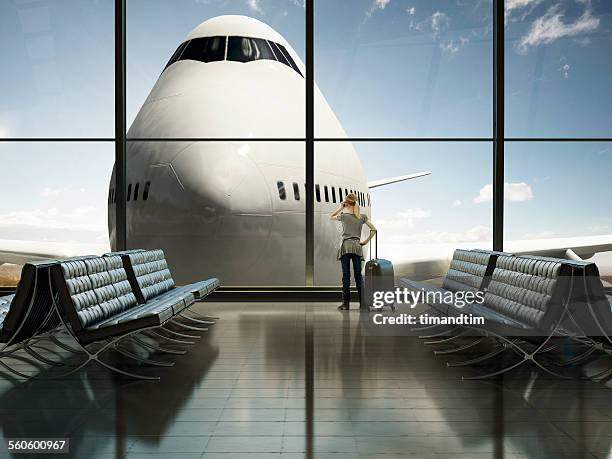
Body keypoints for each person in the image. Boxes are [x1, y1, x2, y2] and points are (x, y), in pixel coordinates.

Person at [330, 193, 377, 310]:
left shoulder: (344, 216)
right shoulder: (361, 217)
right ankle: (363, 304)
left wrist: (341, 207)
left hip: (345, 247)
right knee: (358, 276)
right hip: (357, 246)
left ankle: (346, 304)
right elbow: (374, 229)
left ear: (346, 203)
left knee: (346, 276)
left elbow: (331, 216)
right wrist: (365, 242)